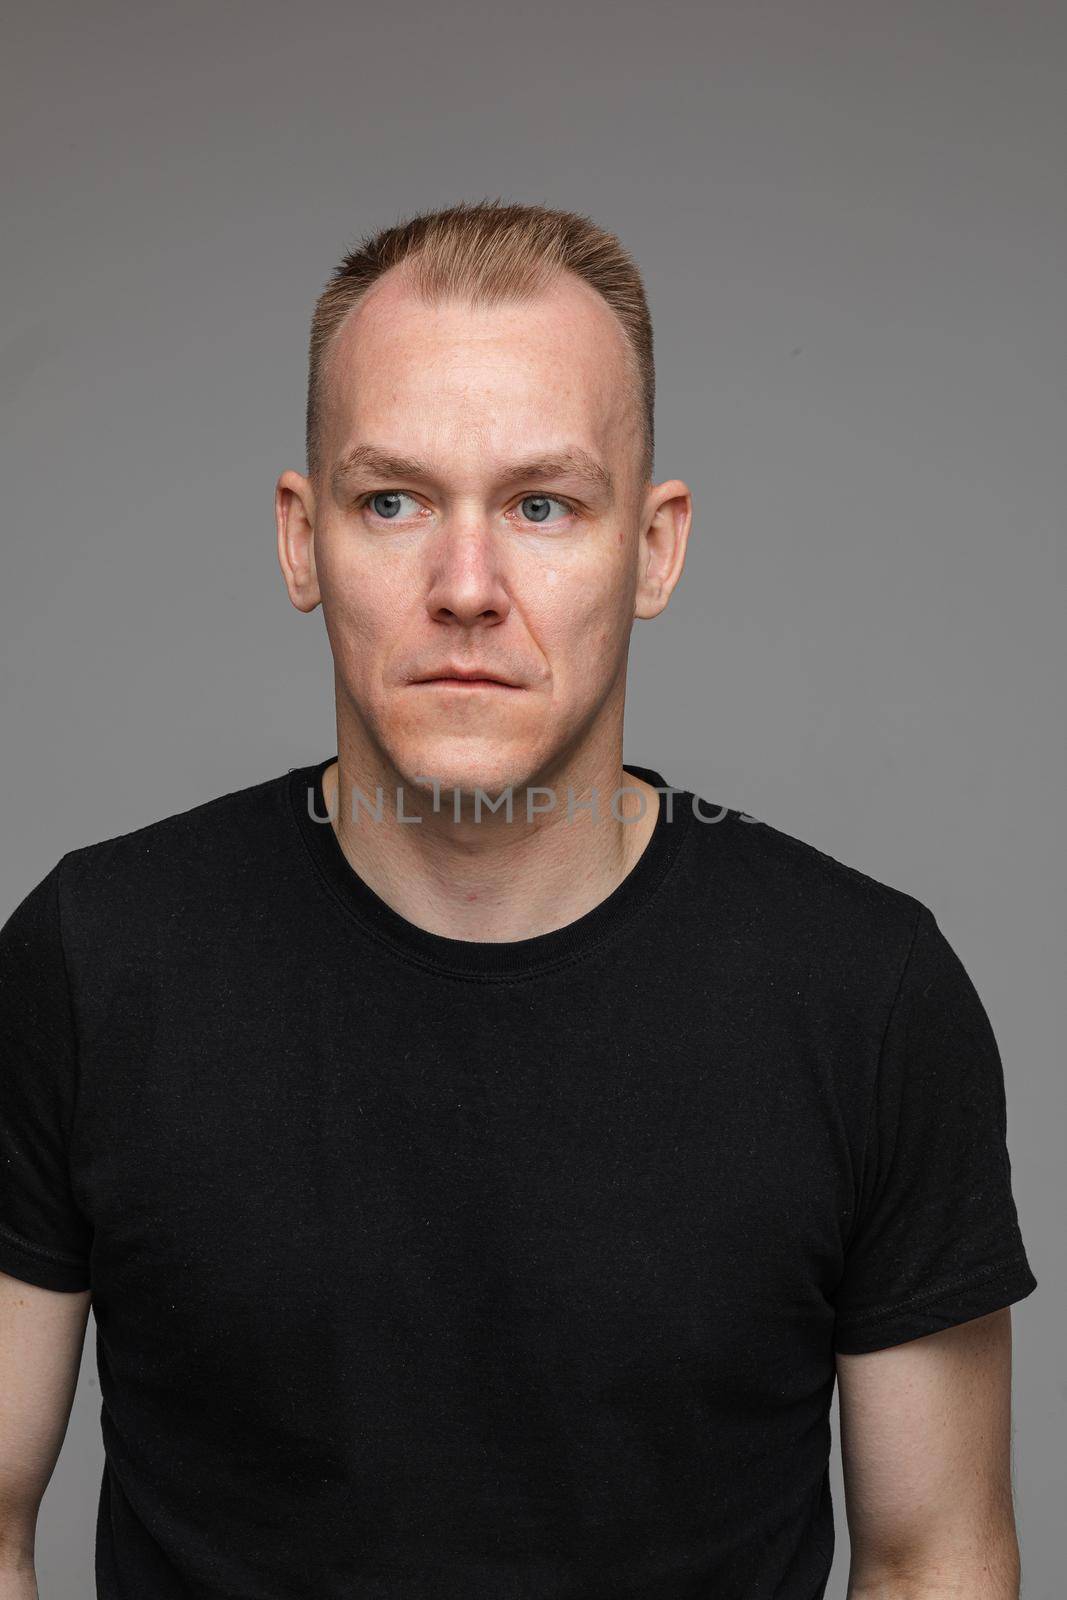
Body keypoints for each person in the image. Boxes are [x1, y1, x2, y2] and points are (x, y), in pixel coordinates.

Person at [0, 198, 1038, 1600]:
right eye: (394, 502)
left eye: (542, 505)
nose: (468, 587)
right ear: (303, 541)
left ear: (654, 549)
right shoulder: (90, 961)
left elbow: (936, 1561)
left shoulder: (868, 998)